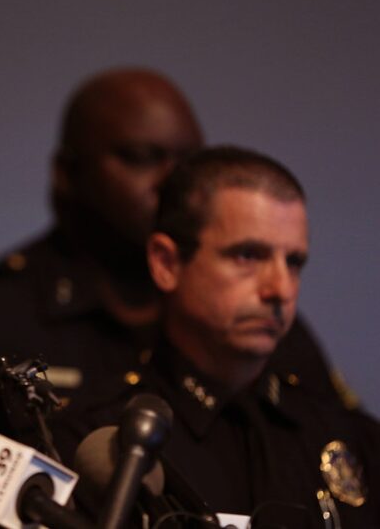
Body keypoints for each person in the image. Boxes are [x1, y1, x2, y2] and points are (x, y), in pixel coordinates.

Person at [0, 68, 343, 447]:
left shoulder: (256, 319)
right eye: (141, 158)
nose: (174, 183)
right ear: (68, 173)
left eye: (189, 162)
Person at [56, 147, 379, 527]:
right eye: (247, 255)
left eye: (293, 262)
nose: (280, 288)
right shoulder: (97, 442)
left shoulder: (350, 439)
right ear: (166, 263)